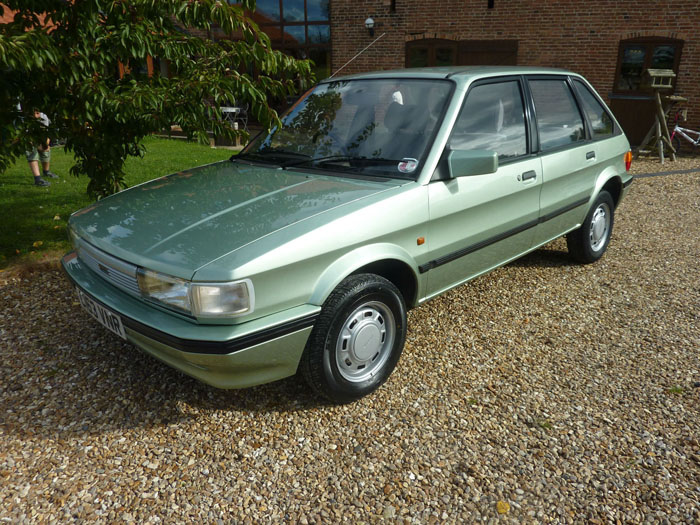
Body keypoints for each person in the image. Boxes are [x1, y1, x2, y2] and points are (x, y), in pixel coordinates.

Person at [26, 110, 58, 187]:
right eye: (33, 113)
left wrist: (45, 144)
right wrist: (35, 145)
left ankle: (46, 172)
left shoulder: (44, 117)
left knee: (46, 150)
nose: (36, 116)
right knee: (32, 153)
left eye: (37, 113)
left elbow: (45, 133)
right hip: (27, 139)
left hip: (39, 138)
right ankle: (38, 179)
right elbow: (25, 136)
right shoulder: (24, 120)